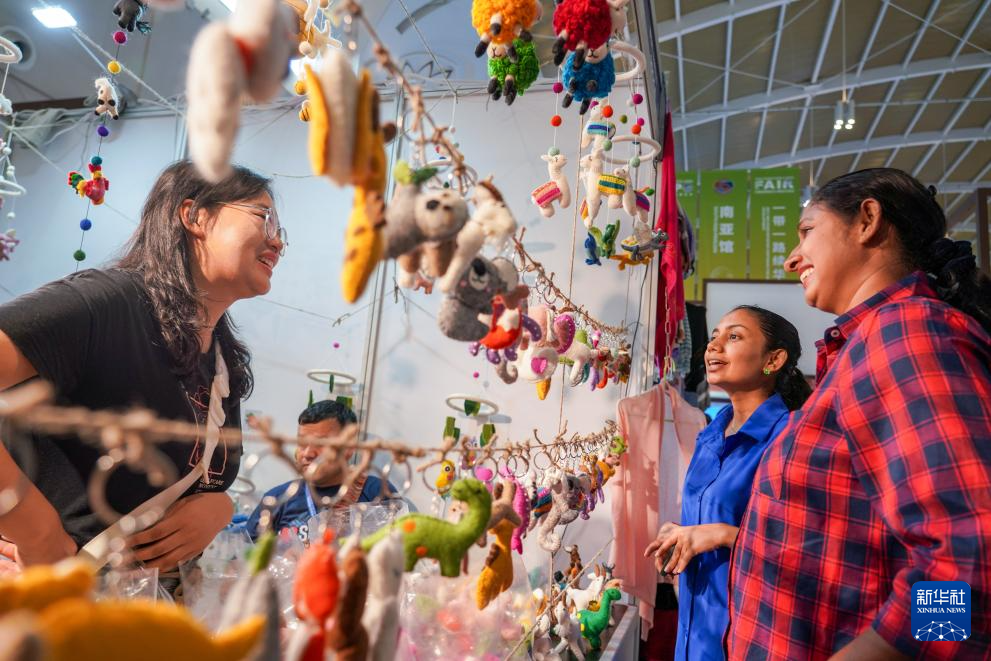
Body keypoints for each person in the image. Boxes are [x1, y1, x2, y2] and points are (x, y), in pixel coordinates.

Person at [728, 168, 991, 659]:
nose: (791, 259)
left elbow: (972, 556)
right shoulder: (868, 345)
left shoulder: (906, 333)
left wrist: (885, 650)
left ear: (867, 220)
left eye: (807, 231)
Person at [0, 160, 286, 570]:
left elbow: (197, 471)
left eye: (281, 231)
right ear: (195, 216)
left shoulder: (223, 360)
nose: (277, 243)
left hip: (140, 599)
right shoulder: (109, 305)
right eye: (264, 218)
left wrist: (219, 506)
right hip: (54, 592)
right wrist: (36, 530)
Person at [644, 306, 811, 660]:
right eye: (714, 336)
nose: (713, 346)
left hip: (749, 641)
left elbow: (804, 549)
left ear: (774, 359)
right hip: (694, 636)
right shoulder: (712, 433)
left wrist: (720, 534)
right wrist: (684, 534)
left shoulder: (789, 438)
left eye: (733, 336)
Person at [245, 399, 397, 543]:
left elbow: (401, 549)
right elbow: (246, 554)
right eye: (302, 442)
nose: (308, 453)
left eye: (321, 444)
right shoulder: (277, 499)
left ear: (349, 448)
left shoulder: (377, 493)